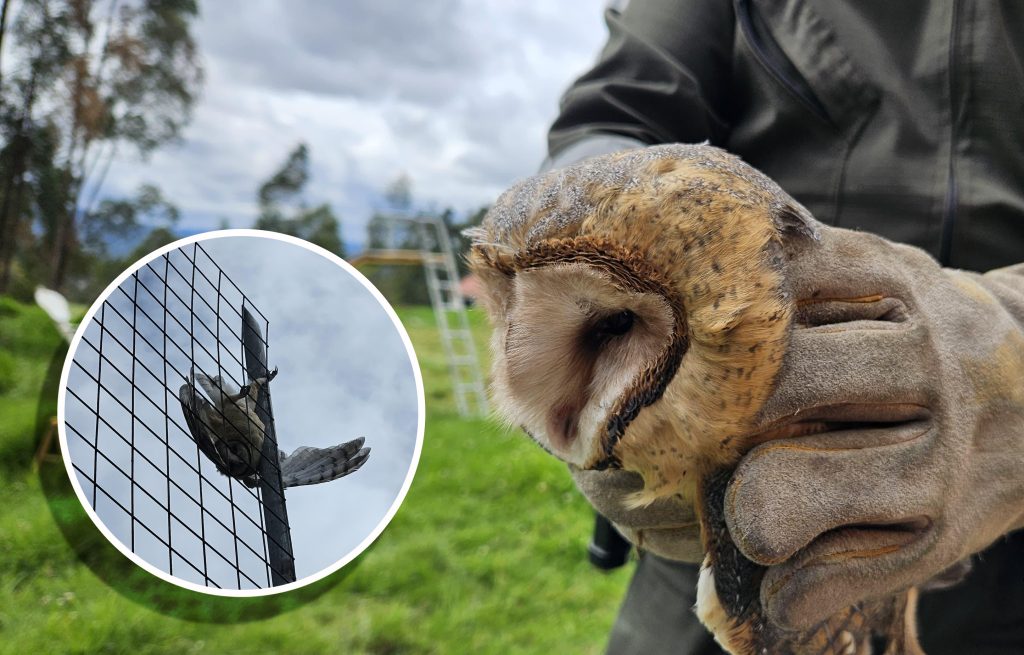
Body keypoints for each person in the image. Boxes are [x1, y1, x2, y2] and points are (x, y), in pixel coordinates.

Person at [538, 1, 1024, 653]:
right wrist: (612, 234)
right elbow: (617, 113)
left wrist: (1009, 348)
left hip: (1008, 563)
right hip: (719, 526)